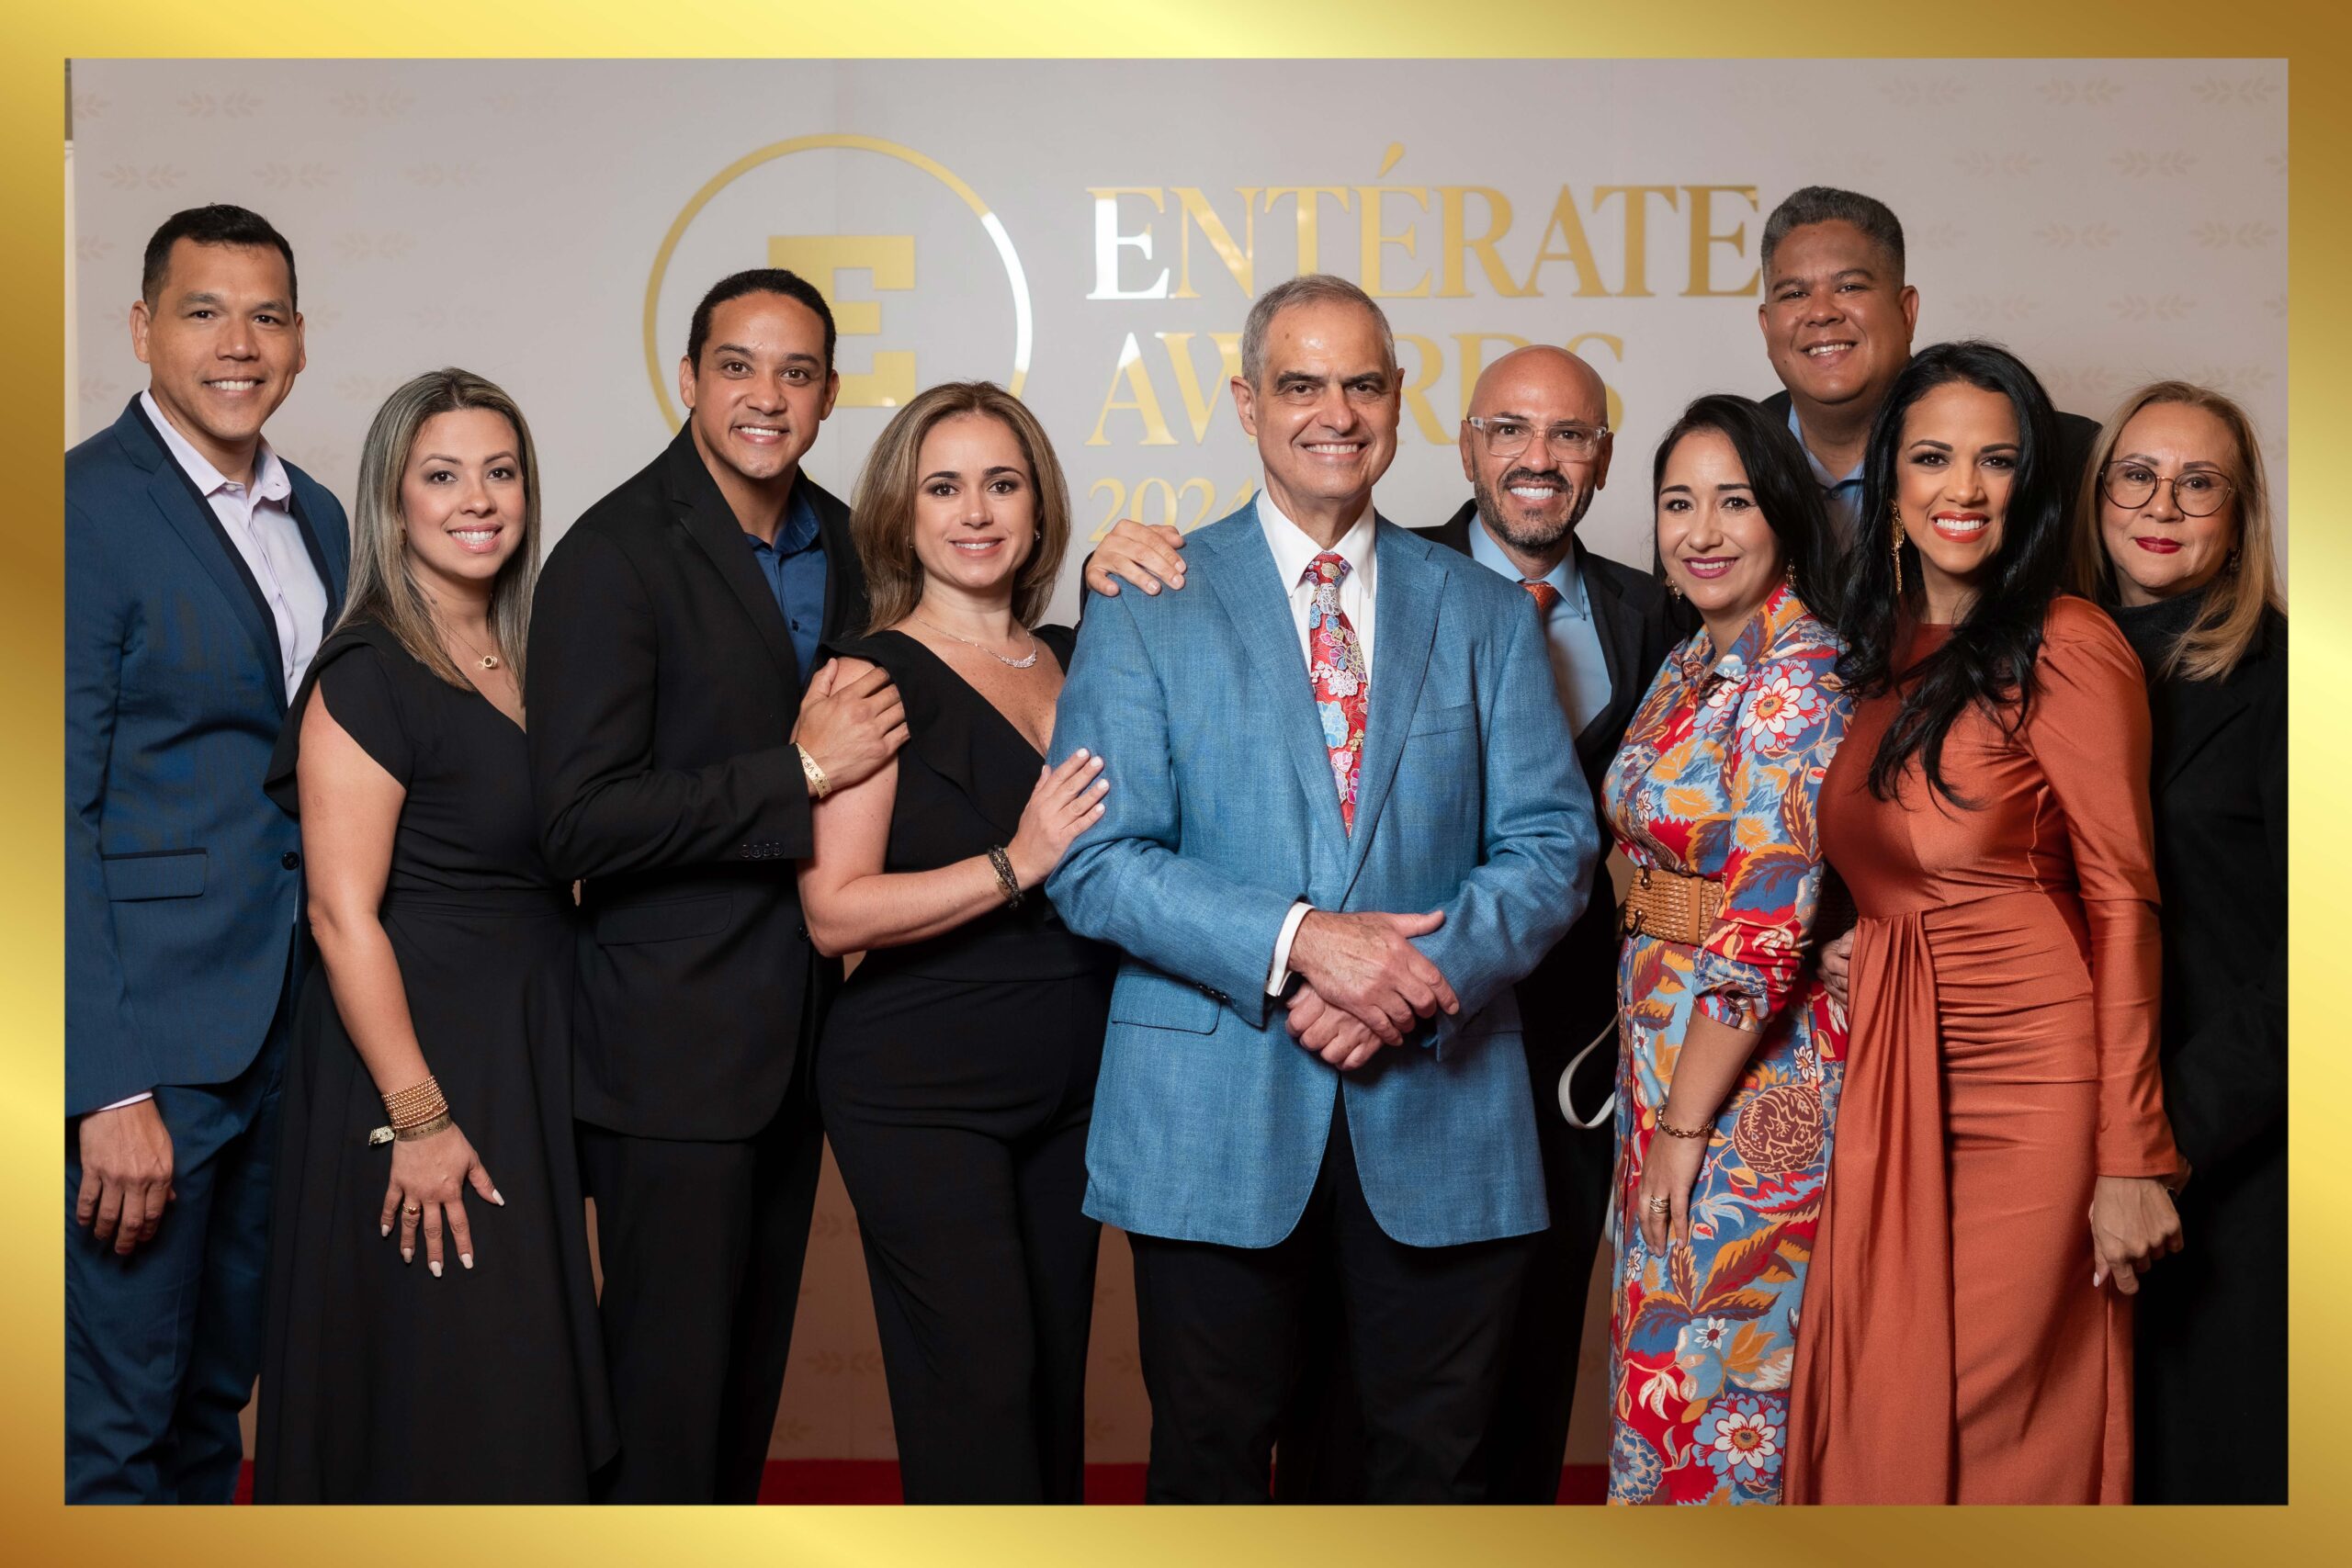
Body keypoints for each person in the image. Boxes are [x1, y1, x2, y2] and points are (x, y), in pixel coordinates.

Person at [1046, 274, 1601, 1504]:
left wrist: (1411, 976)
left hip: (1442, 1107)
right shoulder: (1147, 601)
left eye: (1362, 384)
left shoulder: (1484, 612)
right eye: (1301, 384)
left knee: (1433, 1480)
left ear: (1398, 401)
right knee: (1210, 1471)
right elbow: (1093, 861)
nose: (1335, 413)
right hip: (1213, 1118)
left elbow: (1554, 843)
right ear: (1248, 403)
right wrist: (1302, 940)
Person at [525, 268, 903, 1503]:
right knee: (665, 1410)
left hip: (806, 1042)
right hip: (670, 1055)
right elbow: (575, 821)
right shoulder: (613, 553)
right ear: (687, 379)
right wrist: (796, 773)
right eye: (737, 366)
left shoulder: (851, 539)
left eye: (797, 372)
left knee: (740, 1406)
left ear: (830, 395)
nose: (766, 396)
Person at [1276, 344, 1679, 1505]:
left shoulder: (1660, 614)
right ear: (1465, 447)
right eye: (1509, 430)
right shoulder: (1375, 582)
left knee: (1530, 1360)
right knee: (1351, 1380)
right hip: (1386, 1041)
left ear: (1602, 457)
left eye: (1568, 435)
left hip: (1572, 1052)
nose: (1537, 458)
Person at [1789, 341, 2184, 1504]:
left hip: (2030, 1087)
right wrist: (1863, 937)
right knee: (1887, 1405)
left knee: (1990, 1429)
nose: (1963, 488)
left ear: (2029, 484)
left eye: (1995, 460)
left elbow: (2123, 899)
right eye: (1932, 457)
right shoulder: (1880, 655)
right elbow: (1901, 862)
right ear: (1890, 484)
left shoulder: (2068, 641)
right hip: (1899, 1076)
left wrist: (2130, 1155)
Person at [254, 369, 614, 1501]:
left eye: (500, 473)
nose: (478, 500)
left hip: (521, 1056)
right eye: (443, 475)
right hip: (416, 1064)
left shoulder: (534, 658)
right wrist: (417, 1116)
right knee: (444, 1378)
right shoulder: (369, 672)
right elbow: (339, 913)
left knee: (510, 1383)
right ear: (391, 499)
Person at [66, 205, 348, 1504]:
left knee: (213, 1405)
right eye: (203, 311)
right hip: (150, 1047)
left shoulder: (321, 515)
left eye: (266, 315)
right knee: (112, 1421)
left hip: (287, 1030)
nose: (239, 343)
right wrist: (104, 1085)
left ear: (298, 339)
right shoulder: (77, 509)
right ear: (142, 329)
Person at [797, 381, 1115, 1503]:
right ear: (903, 511)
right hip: (922, 1084)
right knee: (978, 1392)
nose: (974, 512)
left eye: (1001, 483)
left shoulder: (1080, 657)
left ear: (1038, 507)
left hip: (1079, 1075)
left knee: (1051, 1389)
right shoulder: (865, 676)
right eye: (943, 487)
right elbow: (833, 911)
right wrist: (1016, 861)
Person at [1601, 396, 1850, 1505]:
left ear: (1782, 514)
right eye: (1677, 503)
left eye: (1733, 502)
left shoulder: (1798, 672)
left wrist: (1683, 1128)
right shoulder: (1693, 659)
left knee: (1716, 1378)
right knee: (1662, 1370)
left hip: (1747, 1084)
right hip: (1665, 1053)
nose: (1700, 531)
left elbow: (1761, 930)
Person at [2073, 382, 2286, 1505]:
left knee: (2206, 1476)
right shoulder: (2047, 660)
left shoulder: (2292, 682)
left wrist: (2160, 1143)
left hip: (2229, 1152)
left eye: (2198, 484)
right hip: (2063, 1139)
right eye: (2137, 475)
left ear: (2238, 517)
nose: (2161, 505)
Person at [1755, 186, 2103, 550]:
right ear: (1767, 327)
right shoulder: (1732, 455)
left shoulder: (2066, 458)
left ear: (1906, 312)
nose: (1821, 312)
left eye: (1850, 287)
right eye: (1794, 294)